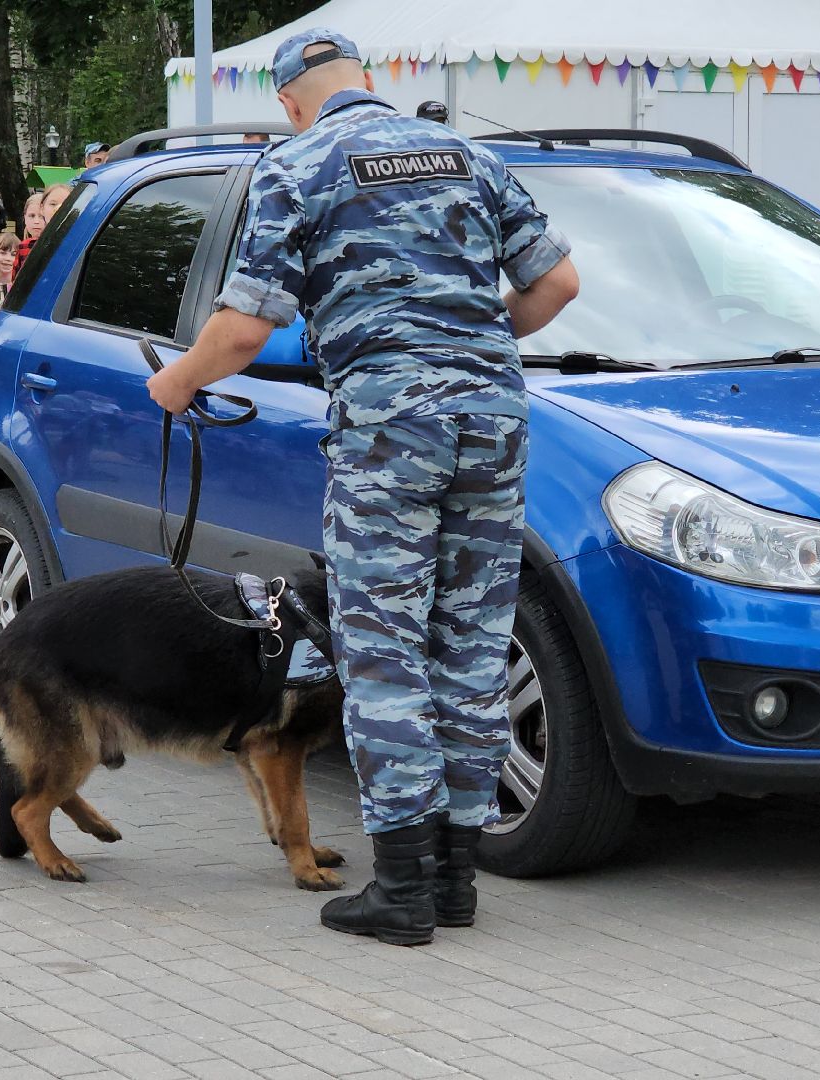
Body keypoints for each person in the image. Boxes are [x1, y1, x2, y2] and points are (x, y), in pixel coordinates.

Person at [145, 29, 579, 946]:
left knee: (382, 647)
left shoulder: (296, 162)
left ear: (293, 100)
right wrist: (468, 339)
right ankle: (457, 881)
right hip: (494, 420)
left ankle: (405, 890)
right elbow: (557, 287)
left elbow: (241, 332)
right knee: (471, 642)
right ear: (368, 84)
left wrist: (176, 383)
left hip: (391, 428)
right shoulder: (467, 153)